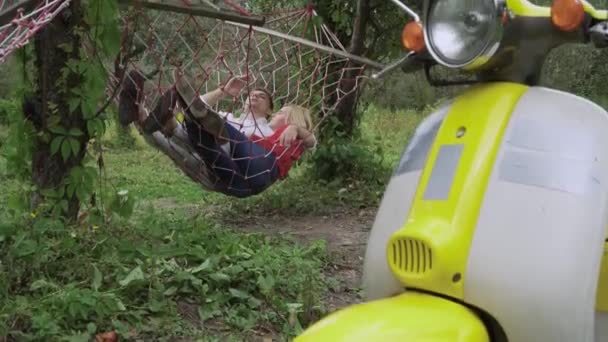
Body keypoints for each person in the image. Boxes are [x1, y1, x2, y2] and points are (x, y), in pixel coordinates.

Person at [118, 70, 316, 197]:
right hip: (217, 164)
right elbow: (200, 105)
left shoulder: (272, 133)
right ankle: (142, 115)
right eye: (251, 94)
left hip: (236, 160)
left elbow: (311, 142)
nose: (254, 96)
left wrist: (296, 128)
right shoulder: (229, 116)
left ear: (271, 110)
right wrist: (223, 92)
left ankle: (173, 122)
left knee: (202, 130)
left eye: (282, 112)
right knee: (181, 135)